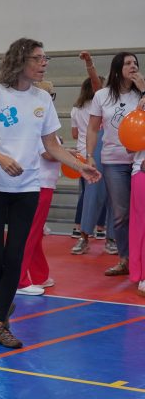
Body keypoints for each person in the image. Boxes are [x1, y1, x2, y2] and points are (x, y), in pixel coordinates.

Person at [0, 38, 100, 349]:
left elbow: (52, 146)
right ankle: (4, 303)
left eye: (45, 58)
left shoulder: (42, 100)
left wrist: (81, 166)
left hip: (27, 190)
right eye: (38, 58)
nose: (44, 63)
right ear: (20, 61)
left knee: (15, 258)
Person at [85, 52, 145, 277]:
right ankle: (125, 259)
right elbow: (92, 128)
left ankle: (141, 260)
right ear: (117, 67)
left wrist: (144, 87)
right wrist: (90, 154)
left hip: (141, 160)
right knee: (121, 214)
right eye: (128, 63)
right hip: (114, 161)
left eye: (136, 63)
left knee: (142, 213)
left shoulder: (142, 92)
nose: (133, 66)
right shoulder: (102, 95)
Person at [15, 81, 63, 295]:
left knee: (34, 233)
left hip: (43, 182)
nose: (52, 99)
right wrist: (71, 157)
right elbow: (48, 152)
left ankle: (40, 274)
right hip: (39, 182)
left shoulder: (42, 118)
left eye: (53, 95)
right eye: (50, 94)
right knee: (30, 233)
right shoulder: (39, 118)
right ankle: (19, 280)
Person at [70, 73, 110, 255]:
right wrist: (89, 65)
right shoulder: (101, 98)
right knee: (91, 194)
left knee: (116, 197)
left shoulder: (133, 97)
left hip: (121, 151)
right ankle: (84, 235)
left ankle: (112, 237)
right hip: (94, 151)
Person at [131, 93, 145, 297]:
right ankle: (142, 274)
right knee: (141, 224)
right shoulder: (140, 109)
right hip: (141, 171)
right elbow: (129, 144)